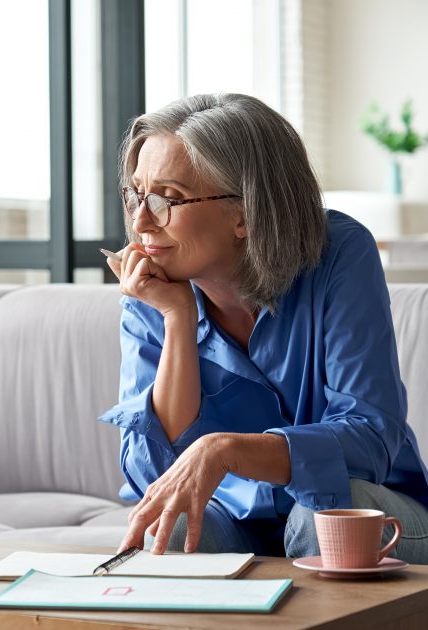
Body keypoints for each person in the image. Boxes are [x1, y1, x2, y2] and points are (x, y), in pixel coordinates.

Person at [99, 93, 428, 561]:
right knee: (168, 529)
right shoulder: (153, 287)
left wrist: (227, 450)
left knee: (322, 516)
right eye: (137, 194)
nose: (142, 221)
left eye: (168, 198)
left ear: (246, 212)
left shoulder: (339, 254)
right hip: (237, 519)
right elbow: (154, 474)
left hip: (368, 508)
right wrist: (177, 320)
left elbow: (369, 439)